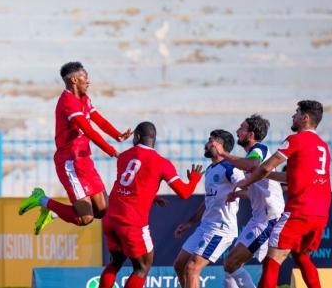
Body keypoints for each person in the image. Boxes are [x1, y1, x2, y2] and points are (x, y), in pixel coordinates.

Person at [18, 61, 132, 235]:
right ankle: (41, 199)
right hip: (70, 162)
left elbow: (97, 119)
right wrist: (112, 151)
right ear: (74, 80)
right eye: (84, 77)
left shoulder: (84, 98)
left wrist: (117, 135)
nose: (88, 81)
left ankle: (54, 213)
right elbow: (88, 129)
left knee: (102, 210)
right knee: (85, 218)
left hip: (85, 160)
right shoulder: (67, 102)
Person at [229, 101, 331, 288]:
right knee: (301, 256)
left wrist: (247, 180)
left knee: (273, 260)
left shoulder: (295, 139)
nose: (293, 116)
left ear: (305, 118)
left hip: (299, 211)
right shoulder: (323, 146)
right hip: (321, 213)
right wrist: (262, 174)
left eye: (297, 113)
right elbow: (287, 176)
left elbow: (267, 166)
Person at [99, 121, 204, 288]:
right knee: (142, 267)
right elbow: (184, 193)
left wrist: (152, 196)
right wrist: (194, 179)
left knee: (115, 262)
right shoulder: (161, 163)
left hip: (110, 218)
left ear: (137, 137)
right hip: (131, 222)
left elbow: (130, 183)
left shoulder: (124, 156)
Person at [209, 115, 285, 288]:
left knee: (232, 264)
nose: (237, 131)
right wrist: (237, 194)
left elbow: (251, 164)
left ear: (250, 134)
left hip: (269, 218)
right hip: (259, 217)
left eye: (241, 128)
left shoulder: (259, 149)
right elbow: (254, 191)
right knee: (231, 266)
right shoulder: (252, 155)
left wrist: (223, 153)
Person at [173, 129, 245, 288]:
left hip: (221, 228)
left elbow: (246, 188)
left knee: (192, 268)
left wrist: (238, 193)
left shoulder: (231, 168)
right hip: (204, 227)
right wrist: (189, 223)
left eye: (210, 140)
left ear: (220, 145)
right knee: (179, 265)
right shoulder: (210, 170)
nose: (206, 145)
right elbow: (208, 201)